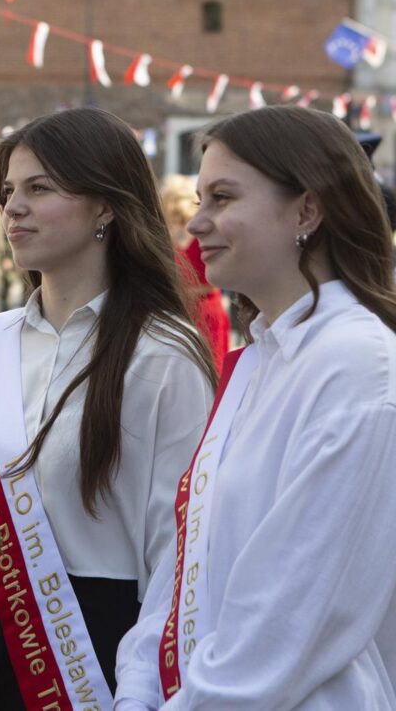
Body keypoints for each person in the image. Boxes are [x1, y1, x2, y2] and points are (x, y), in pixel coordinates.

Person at [0, 108, 217, 710]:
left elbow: (179, 556)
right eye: (8, 192)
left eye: (39, 188)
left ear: (105, 206)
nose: (13, 209)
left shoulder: (164, 355)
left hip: (108, 662)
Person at [115, 105, 396, 710]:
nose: (198, 223)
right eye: (199, 199)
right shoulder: (259, 361)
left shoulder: (356, 364)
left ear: (307, 211)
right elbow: (186, 565)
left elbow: (290, 614)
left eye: (222, 198)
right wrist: (136, 691)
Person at [161, 174, 231, 371]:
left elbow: (215, 280)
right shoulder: (170, 235)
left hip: (202, 310)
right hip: (183, 310)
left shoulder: (200, 233)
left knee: (208, 369)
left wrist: (183, 293)